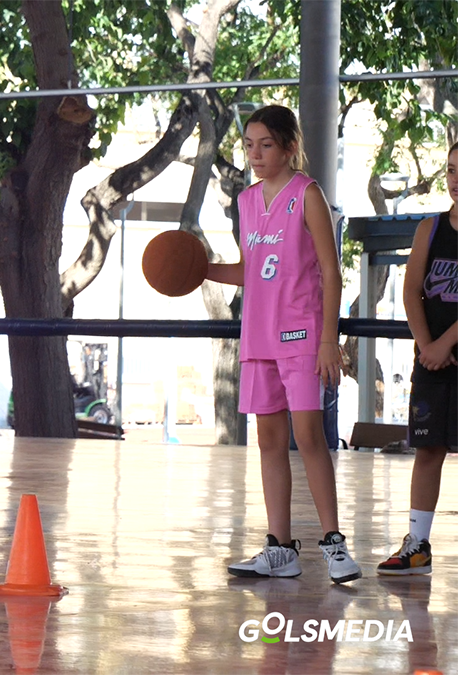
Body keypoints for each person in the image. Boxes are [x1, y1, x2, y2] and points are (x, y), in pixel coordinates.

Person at [207, 105, 361, 584]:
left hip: (301, 335)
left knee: (310, 438)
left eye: (265, 144)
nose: (255, 153)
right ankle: (280, 548)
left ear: (290, 146)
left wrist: (328, 340)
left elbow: (331, 272)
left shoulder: (307, 194)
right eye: (249, 144)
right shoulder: (246, 201)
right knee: (269, 441)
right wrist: (200, 269)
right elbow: (248, 270)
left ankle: (334, 544)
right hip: (257, 336)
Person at [377, 141, 458, 576]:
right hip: (431, 362)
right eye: (450, 170)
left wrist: (446, 343)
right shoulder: (430, 228)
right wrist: (428, 345)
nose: (456, 179)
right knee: (428, 449)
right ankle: (418, 544)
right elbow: (411, 291)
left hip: (447, 353)